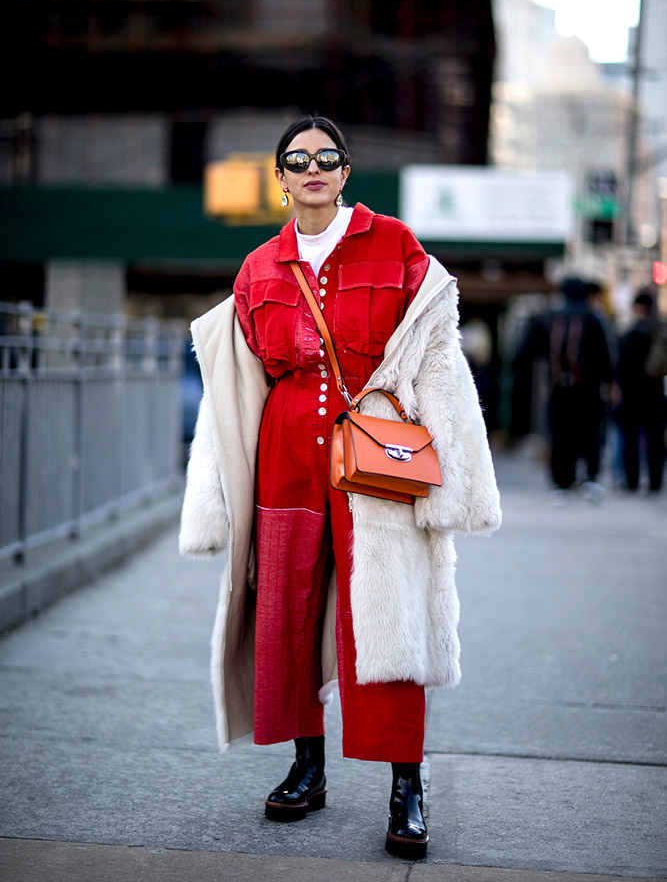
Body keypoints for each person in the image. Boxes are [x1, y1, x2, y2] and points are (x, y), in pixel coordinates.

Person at [179, 115, 501, 859]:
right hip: (286, 449)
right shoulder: (259, 266)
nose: (314, 168)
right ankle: (306, 766)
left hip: (375, 447)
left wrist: (452, 476)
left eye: (328, 157)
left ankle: (405, 784)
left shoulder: (395, 245)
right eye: (298, 159)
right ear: (281, 178)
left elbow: (437, 356)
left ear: (346, 171)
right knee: (285, 607)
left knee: (385, 617)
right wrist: (216, 492)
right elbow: (234, 381)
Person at [512, 277, 613, 501]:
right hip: (589, 390)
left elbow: (526, 353)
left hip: (557, 388)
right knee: (590, 434)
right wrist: (610, 382)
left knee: (560, 434)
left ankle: (561, 482)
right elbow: (605, 356)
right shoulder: (594, 318)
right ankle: (590, 478)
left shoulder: (548, 318)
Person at [616, 290, 666, 493]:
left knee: (631, 440)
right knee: (655, 440)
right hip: (655, 393)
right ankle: (655, 482)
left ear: (637, 307)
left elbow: (619, 365)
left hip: (632, 394)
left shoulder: (630, 333)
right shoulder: (660, 331)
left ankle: (632, 482)